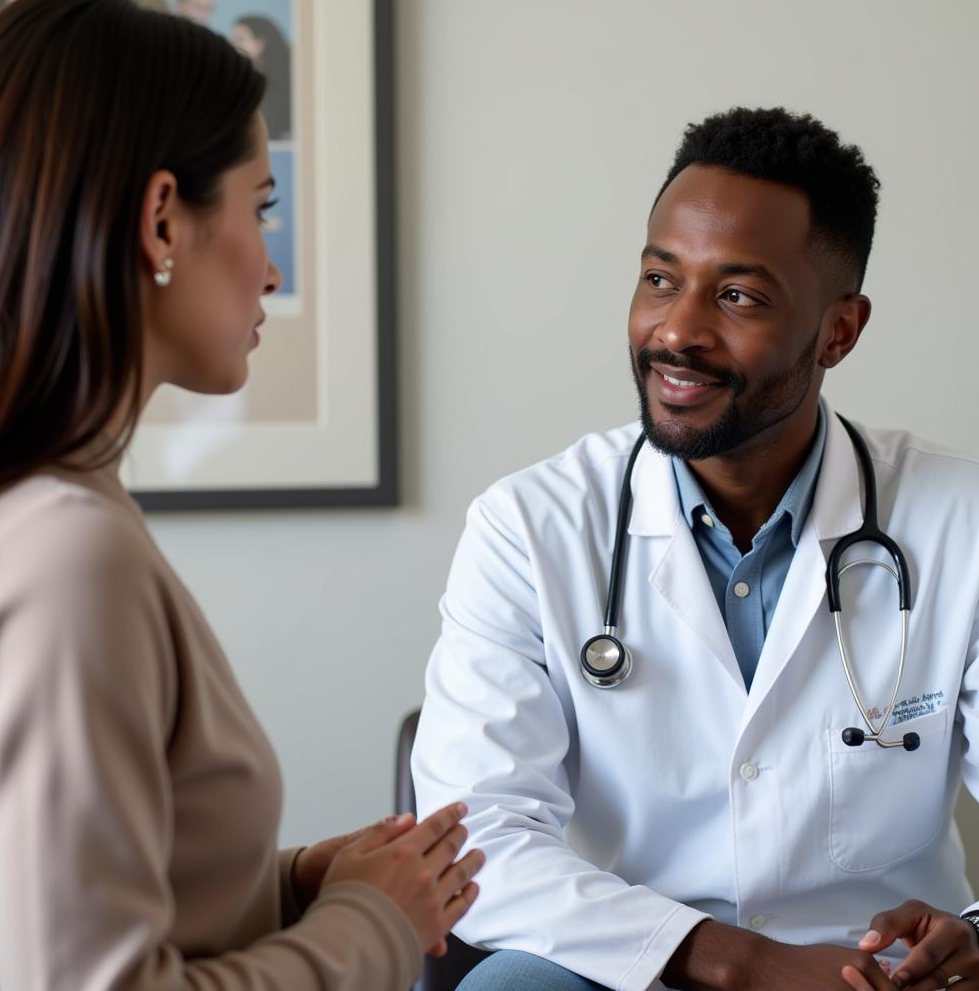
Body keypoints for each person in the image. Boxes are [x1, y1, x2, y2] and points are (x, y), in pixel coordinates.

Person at [0, 0, 482, 990]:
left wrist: (291, 886)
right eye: (262, 208)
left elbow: (39, 898)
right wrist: (372, 924)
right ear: (162, 219)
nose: (272, 271)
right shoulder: (66, 556)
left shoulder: (19, 514)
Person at [412, 106, 979, 991]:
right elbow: (473, 838)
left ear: (840, 329)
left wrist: (974, 935)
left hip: (879, 975)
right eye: (659, 279)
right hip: (627, 963)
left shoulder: (960, 519)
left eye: (738, 296)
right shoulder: (529, 526)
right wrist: (741, 962)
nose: (677, 331)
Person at [232, 15, 293, 141]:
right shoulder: (241, 80)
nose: (233, 45)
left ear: (261, 43)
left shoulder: (280, 85)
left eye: (240, 39)